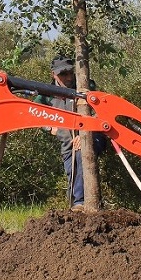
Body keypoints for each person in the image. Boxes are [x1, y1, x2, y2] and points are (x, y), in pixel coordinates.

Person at [46, 56, 106, 209]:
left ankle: (80, 203)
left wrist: (86, 135)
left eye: (70, 73)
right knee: (72, 174)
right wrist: (49, 128)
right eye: (63, 74)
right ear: (54, 74)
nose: (68, 77)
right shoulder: (46, 94)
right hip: (67, 143)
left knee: (81, 153)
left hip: (94, 136)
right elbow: (33, 112)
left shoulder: (86, 86)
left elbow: (102, 112)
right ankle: (75, 208)